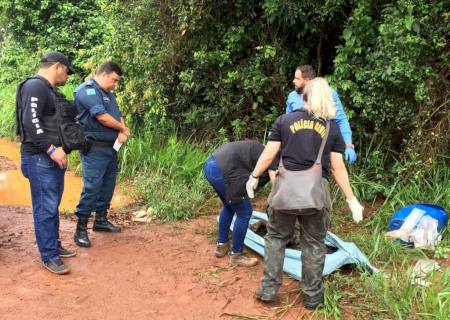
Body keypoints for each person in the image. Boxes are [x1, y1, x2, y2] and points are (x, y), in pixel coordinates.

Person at [247, 78, 364, 310]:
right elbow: (338, 167)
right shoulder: (332, 129)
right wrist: (351, 199)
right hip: (316, 194)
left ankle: (269, 290)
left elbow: (269, 155)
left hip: (285, 193)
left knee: (276, 239)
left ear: (303, 97)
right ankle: (312, 297)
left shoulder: (284, 121)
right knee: (313, 243)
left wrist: (253, 176)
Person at [16, 51, 77, 274]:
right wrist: (51, 149)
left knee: (52, 206)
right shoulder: (35, 86)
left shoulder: (47, 89)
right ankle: (49, 255)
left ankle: (54, 245)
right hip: (40, 157)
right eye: (67, 71)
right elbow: (30, 121)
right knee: (45, 208)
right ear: (57, 66)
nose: (67, 76)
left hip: (50, 159)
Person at [73, 61, 130, 247]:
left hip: (111, 147)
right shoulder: (87, 90)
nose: (115, 84)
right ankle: (80, 228)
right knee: (92, 187)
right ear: (104, 74)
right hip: (94, 148)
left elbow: (116, 114)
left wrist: (122, 130)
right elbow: (102, 117)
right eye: (114, 80)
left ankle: (101, 220)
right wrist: (122, 128)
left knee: (108, 184)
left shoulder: (108, 94)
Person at [203, 140, 278, 267]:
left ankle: (222, 246)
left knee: (229, 206)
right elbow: (276, 184)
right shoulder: (273, 156)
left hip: (210, 166)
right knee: (244, 212)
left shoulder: (260, 149)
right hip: (223, 171)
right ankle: (236, 255)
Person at [286, 65, 357, 164]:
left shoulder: (328, 93)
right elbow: (287, 123)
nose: (294, 81)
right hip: (299, 149)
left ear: (307, 80)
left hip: (323, 145)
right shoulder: (292, 96)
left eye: (297, 79)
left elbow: (340, 120)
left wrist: (348, 145)